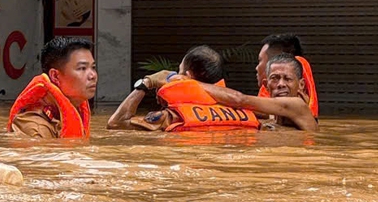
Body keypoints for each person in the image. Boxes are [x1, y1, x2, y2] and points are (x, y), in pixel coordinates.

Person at [107, 45, 261, 132]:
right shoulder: (247, 113)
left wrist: (146, 83)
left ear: (185, 77)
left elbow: (116, 123)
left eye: (178, 72)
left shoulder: (170, 117)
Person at [193, 53, 318, 132]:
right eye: (275, 78)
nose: (281, 84)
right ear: (266, 86)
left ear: (301, 85)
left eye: (288, 79)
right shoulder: (269, 116)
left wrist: (189, 82)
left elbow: (239, 100)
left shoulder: (297, 106)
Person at [7, 37, 97, 139]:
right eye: (82, 68)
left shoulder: (75, 110)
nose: (92, 75)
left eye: (93, 67)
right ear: (55, 76)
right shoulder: (35, 128)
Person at [256, 33, 318, 118]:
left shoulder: (299, 63)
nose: (257, 67)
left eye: (260, 60)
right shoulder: (269, 85)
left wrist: (239, 101)